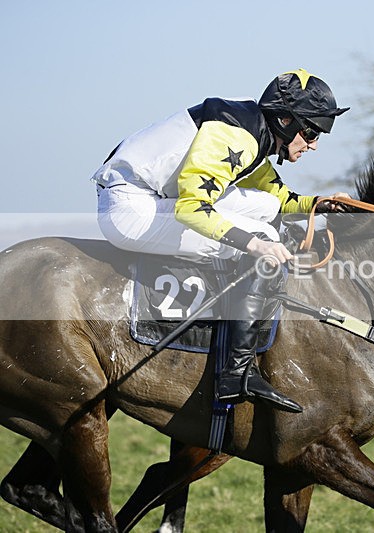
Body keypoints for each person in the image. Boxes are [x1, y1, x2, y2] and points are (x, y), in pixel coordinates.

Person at [92, 68, 350, 413]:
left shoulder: (254, 132)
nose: (314, 144)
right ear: (286, 120)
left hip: (150, 197)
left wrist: (320, 203)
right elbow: (191, 208)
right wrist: (255, 244)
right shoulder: (236, 136)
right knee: (264, 235)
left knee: (265, 205)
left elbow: (279, 198)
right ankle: (236, 372)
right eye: (311, 132)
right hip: (131, 209)